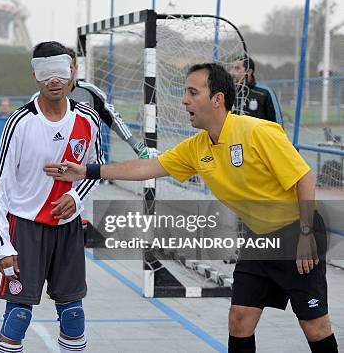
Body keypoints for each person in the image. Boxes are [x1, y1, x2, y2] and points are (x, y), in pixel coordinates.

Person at [45, 63, 338, 353]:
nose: (184, 100)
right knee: (239, 320)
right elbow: (146, 167)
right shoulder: (197, 147)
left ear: (217, 99)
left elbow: (304, 177)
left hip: (297, 234)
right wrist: (87, 171)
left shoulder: (259, 131)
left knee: (314, 326)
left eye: (192, 92)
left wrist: (305, 234)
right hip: (258, 239)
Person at [0, 41, 103, 353]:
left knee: (73, 314)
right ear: (35, 76)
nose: (54, 80)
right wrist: (1, 246)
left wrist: (77, 199)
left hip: (68, 229)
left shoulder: (88, 119)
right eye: (45, 73)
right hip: (25, 229)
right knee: (18, 316)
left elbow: (96, 169)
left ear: (73, 71)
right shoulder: (19, 122)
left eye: (60, 72)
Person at [31, 47, 157, 159]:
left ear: (75, 68)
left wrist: (138, 148)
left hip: (85, 164)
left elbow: (114, 120)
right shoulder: (37, 99)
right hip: (51, 163)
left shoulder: (90, 92)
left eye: (70, 68)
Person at [231, 56, 282, 124]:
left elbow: (277, 122)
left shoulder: (265, 93)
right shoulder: (230, 92)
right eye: (232, 68)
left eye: (237, 68)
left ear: (249, 72)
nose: (232, 72)